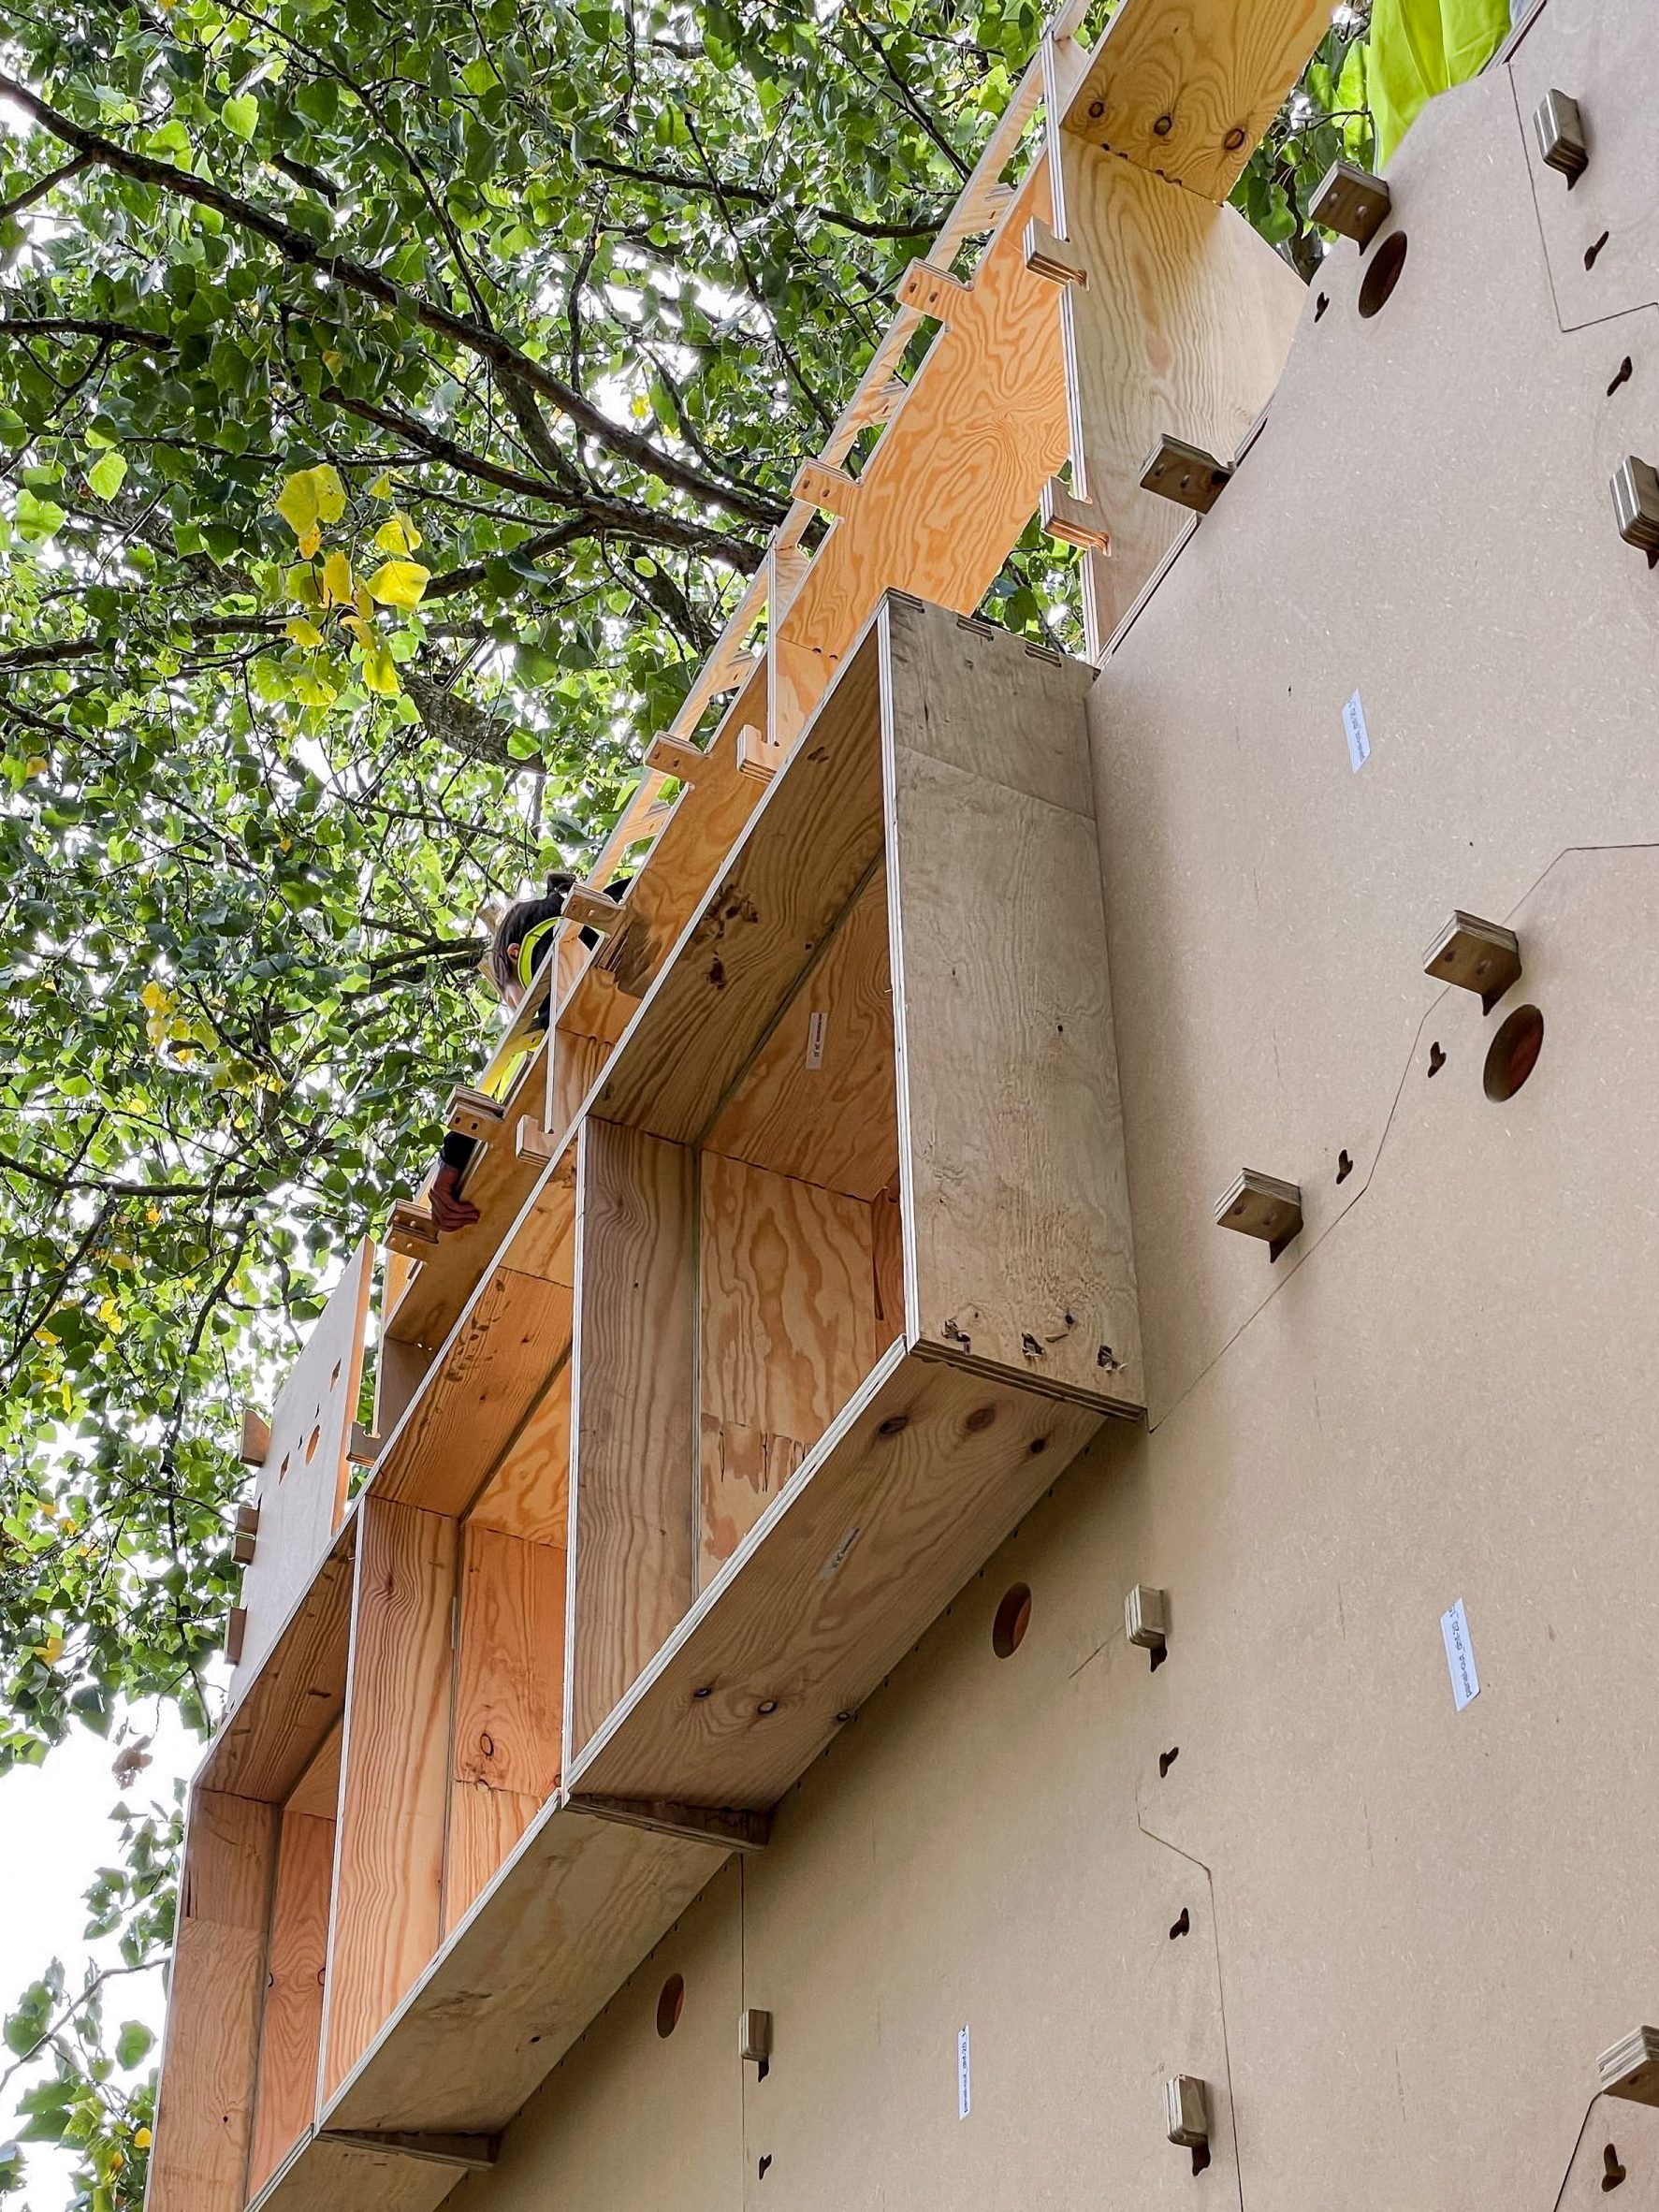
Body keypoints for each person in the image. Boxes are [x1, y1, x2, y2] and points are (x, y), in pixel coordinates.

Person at [429, 875, 626, 1231]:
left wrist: (453, 1157)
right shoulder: (617, 907)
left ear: (517, 954)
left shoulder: (558, 955)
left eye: (510, 1000)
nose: (523, 1017)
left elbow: (512, 1088)